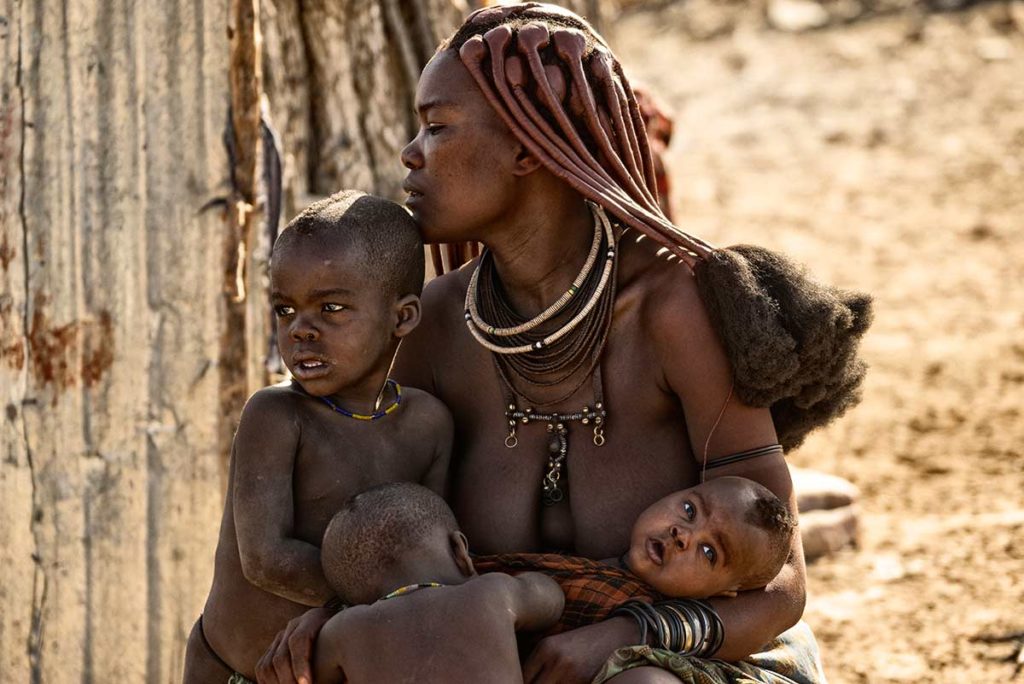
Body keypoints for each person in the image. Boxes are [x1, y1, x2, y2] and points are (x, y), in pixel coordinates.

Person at [257, 4, 867, 683]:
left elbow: (779, 584)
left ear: (526, 149)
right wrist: (342, 605)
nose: (409, 152)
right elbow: (384, 529)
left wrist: (623, 637)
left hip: (682, 658)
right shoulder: (430, 325)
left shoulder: (676, 308)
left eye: (436, 127)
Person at [183, 191, 454, 683]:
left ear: (403, 316)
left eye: (331, 308)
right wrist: (355, 599)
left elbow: (426, 551)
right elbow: (264, 558)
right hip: (230, 669)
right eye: (285, 311)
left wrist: (342, 611)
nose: (301, 331)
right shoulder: (277, 416)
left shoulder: (428, 426)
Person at [475, 475, 799, 635]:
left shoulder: (639, 617)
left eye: (708, 551)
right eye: (689, 509)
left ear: (726, 593)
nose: (682, 534)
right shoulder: (591, 566)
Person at [311, 482, 565, 684]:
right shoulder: (491, 594)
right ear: (460, 550)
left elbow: (299, 671)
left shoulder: (344, 631)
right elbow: (552, 598)